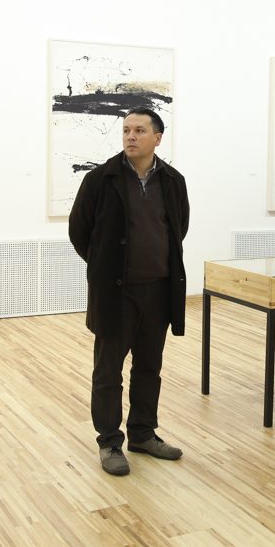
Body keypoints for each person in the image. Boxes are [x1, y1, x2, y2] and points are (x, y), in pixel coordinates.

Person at [68, 107, 189, 476]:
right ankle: (109, 441)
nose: (131, 136)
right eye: (126, 130)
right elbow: (79, 231)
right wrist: (106, 267)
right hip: (116, 294)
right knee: (108, 371)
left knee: (149, 367)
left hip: (158, 290)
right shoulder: (100, 179)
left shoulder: (173, 181)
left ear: (158, 138)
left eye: (139, 130)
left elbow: (178, 229)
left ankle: (142, 433)